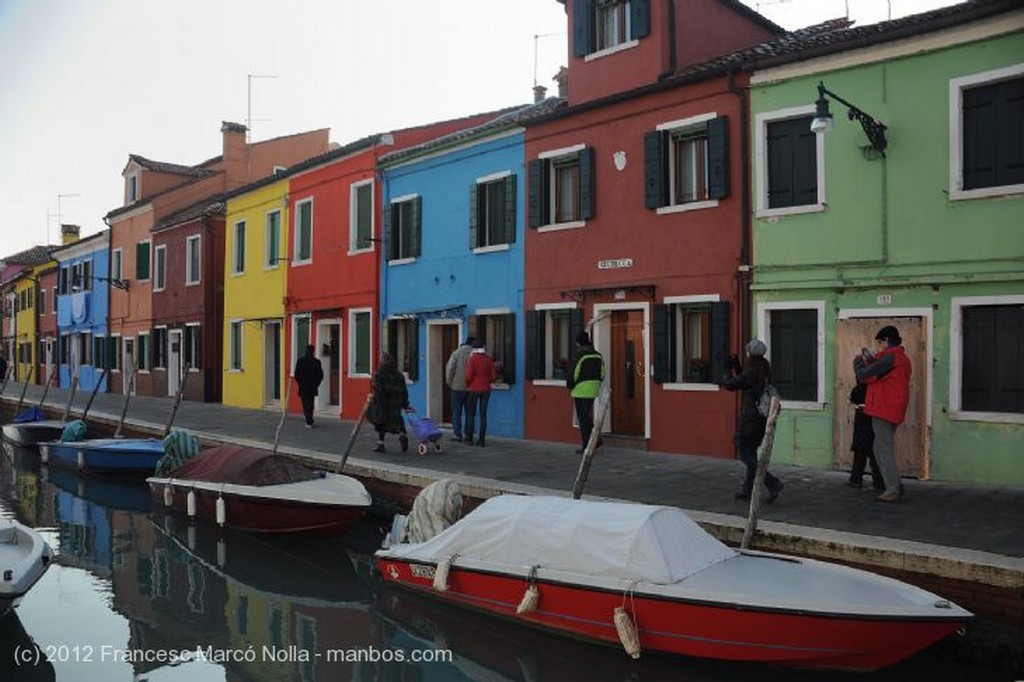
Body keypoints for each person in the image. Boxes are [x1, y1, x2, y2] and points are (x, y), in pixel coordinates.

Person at [721, 339, 784, 504]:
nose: (746, 353)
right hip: (762, 419)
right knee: (751, 454)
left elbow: (730, 384)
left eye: (747, 351)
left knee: (745, 454)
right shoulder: (764, 368)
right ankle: (747, 491)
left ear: (750, 352)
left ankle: (772, 482)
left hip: (750, 420)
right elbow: (747, 382)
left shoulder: (751, 371)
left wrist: (727, 368)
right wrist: (737, 367)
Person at [854, 325, 911, 503]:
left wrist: (858, 360)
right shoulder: (901, 358)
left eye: (879, 342)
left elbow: (864, 375)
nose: (878, 346)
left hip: (883, 409)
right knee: (881, 448)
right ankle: (895, 484)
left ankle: (893, 489)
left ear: (886, 341)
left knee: (882, 450)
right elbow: (877, 368)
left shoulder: (890, 359)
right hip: (892, 408)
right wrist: (870, 359)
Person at [566, 331, 605, 455]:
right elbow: (602, 373)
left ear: (578, 342)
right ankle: (595, 439)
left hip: (581, 390)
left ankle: (587, 446)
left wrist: (570, 385)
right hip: (594, 389)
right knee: (586, 416)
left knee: (583, 419)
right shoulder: (598, 355)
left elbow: (573, 374)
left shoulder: (579, 355)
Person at [370, 353, 410, 453]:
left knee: (380, 421)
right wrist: (405, 403)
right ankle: (402, 435)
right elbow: (404, 390)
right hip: (396, 403)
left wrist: (375, 400)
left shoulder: (379, 375)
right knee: (397, 419)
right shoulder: (399, 376)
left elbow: (378, 390)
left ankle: (381, 443)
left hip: (383, 403)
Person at [848, 380, 884, 491]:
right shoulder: (877, 386)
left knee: (860, 453)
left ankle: (856, 479)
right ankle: (878, 482)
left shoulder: (863, 386)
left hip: (863, 416)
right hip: (873, 416)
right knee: (873, 453)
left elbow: (854, 397)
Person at [464, 338, 497, 447]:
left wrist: (468, 384)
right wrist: (487, 382)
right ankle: (481, 440)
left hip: (473, 388)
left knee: (471, 414)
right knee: (483, 415)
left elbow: (468, 375)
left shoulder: (472, 359)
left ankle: (470, 439)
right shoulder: (488, 359)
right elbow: (493, 376)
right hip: (486, 389)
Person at [445, 336, 475, 442]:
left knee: (456, 412)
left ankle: (457, 434)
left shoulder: (456, 353)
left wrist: (450, 383)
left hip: (457, 387)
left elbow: (450, 369)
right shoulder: (474, 354)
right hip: (471, 388)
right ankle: (468, 434)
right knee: (469, 413)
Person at [293, 344, 324, 428]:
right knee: (311, 404)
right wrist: (316, 384)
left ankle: (308, 421)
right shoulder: (317, 362)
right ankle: (310, 419)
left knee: (305, 404)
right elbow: (320, 375)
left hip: (303, 386)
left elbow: (296, 375)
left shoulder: (300, 361)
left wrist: (300, 383)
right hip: (312, 386)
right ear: (313, 351)